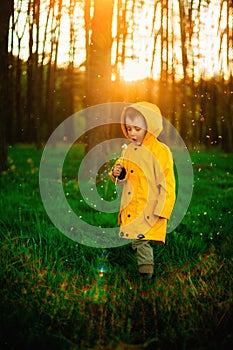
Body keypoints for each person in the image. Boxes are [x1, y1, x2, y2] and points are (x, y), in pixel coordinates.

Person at [110, 102, 176, 279]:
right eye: (129, 128)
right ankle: (142, 265)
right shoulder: (129, 150)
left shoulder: (160, 151)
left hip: (150, 205)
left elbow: (168, 183)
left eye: (137, 129)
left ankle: (146, 274)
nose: (132, 133)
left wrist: (163, 209)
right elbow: (125, 171)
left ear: (150, 127)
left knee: (141, 239)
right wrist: (118, 172)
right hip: (133, 204)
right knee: (136, 238)